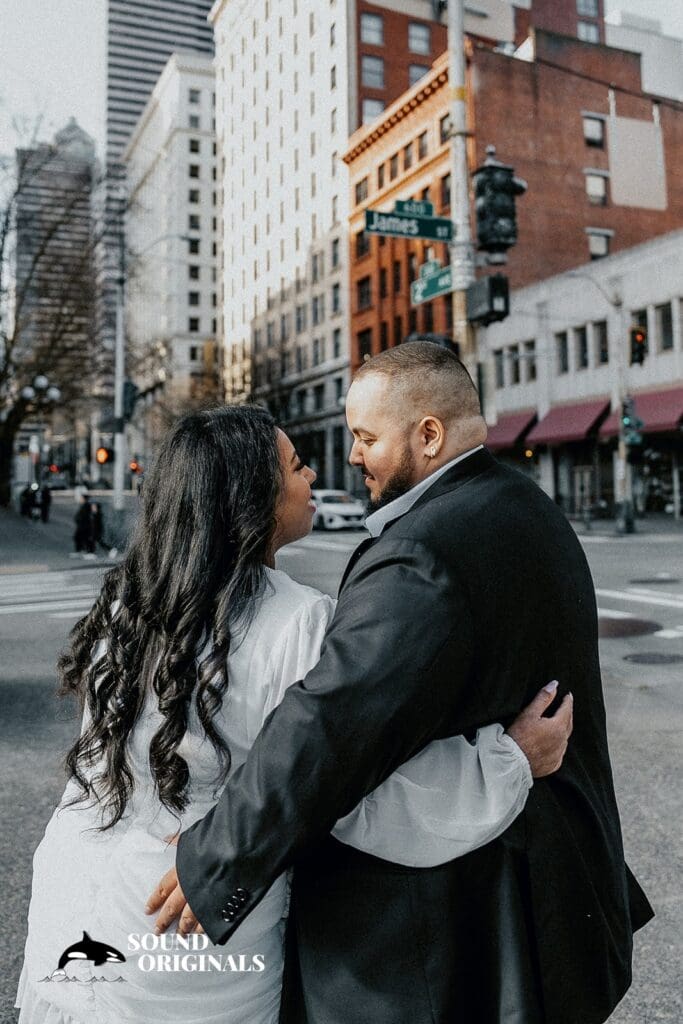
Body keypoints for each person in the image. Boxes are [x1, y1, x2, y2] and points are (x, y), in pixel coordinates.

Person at [16, 405, 569, 1024]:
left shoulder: (126, 598)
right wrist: (509, 761)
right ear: (251, 495)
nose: (311, 477)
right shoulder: (295, 620)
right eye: (296, 465)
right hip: (187, 912)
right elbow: (348, 781)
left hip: (75, 890)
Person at [153, 345, 653, 1024]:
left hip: (456, 935)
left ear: (427, 434)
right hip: (549, 895)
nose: (351, 458)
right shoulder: (521, 504)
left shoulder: (422, 551)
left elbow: (328, 724)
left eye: (364, 438)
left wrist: (215, 861)